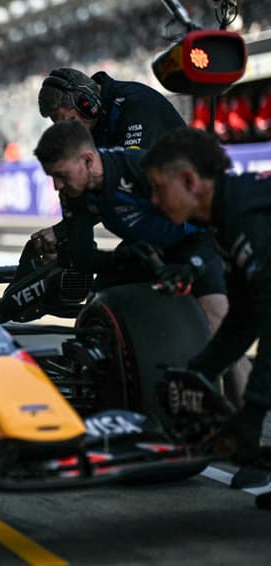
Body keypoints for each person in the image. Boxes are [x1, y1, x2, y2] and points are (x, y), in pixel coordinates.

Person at [29, 121, 239, 392]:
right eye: (51, 177)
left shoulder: (144, 169)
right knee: (91, 310)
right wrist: (122, 258)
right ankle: (93, 388)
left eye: (61, 175)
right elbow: (83, 258)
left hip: (193, 243)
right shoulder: (76, 193)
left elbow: (217, 222)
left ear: (88, 160)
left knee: (223, 329)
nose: (57, 185)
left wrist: (191, 266)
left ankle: (242, 426)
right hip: (140, 251)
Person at [140, 127, 271, 510]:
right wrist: (201, 368)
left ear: (189, 180)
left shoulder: (247, 214)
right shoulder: (225, 217)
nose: (154, 200)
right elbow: (246, 312)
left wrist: (253, 409)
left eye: (158, 188)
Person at [38, 67, 186, 150]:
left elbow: (132, 168)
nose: (71, 130)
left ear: (88, 102)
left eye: (71, 119)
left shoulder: (135, 102)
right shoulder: (92, 125)